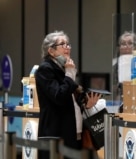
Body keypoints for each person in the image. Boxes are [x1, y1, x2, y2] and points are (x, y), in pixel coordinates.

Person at [35, 30, 101, 158]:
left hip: (74, 133)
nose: (67, 47)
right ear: (51, 51)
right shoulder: (45, 69)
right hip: (56, 135)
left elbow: (71, 100)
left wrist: (86, 104)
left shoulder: (64, 68)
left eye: (68, 44)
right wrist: (70, 74)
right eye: (62, 44)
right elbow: (58, 97)